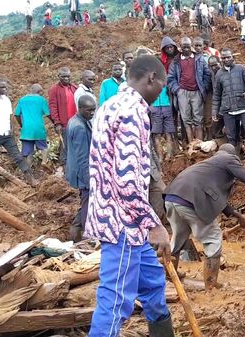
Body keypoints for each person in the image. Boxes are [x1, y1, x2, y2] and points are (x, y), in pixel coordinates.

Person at [86, 55, 173, 337]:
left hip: (114, 215)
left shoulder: (110, 104)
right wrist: (154, 224)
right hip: (122, 222)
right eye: (162, 84)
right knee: (115, 301)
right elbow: (127, 180)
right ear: (151, 78)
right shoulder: (133, 112)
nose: (162, 90)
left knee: (153, 281)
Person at [164, 144, 245, 289]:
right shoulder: (228, 158)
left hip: (172, 198)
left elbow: (215, 197)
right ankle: (211, 285)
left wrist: (238, 216)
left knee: (178, 237)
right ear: (233, 155)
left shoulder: (207, 167)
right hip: (191, 200)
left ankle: (169, 275)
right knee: (212, 238)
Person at [168, 37, 211, 142]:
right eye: (184, 47)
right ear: (180, 47)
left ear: (191, 46)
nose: (186, 49)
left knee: (198, 119)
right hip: (182, 92)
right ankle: (191, 144)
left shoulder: (199, 59)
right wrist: (177, 90)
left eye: (188, 47)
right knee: (186, 119)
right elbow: (170, 78)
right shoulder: (176, 61)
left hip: (196, 92)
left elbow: (207, 74)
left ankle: (199, 144)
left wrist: (203, 87)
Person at [65, 95, 95, 242]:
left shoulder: (76, 121)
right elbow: (83, 157)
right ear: (81, 108)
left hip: (78, 170)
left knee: (86, 201)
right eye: (89, 110)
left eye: (94, 110)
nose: (92, 113)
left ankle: (75, 231)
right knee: (88, 202)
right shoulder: (79, 127)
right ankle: (86, 236)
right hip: (82, 172)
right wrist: (89, 180)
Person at [212, 49, 245, 148]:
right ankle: (235, 156)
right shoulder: (219, 74)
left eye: (228, 57)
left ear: (233, 57)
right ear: (221, 60)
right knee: (231, 136)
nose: (226, 59)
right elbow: (216, 94)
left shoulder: (241, 69)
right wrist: (214, 111)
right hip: (228, 109)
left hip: (243, 106)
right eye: (224, 58)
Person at [14, 84, 51, 169]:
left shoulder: (22, 100)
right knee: (44, 147)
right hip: (39, 129)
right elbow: (48, 114)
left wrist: (21, 124)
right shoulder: (41, 100)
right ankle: (44, 161)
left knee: (28, 153)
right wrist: (54, 122)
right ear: (39, 92)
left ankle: (28, 170)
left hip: (26, 130)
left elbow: (16, 114)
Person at [48, 67, 77, 168]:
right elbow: (53, 106)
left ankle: (73, 164)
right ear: (58, 76)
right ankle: (63, 165)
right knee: (64, 144)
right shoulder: (54, 89)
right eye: (63, 76)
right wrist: (57, 123)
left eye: (68, 76)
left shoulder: (74, 88)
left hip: (76, 122)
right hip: (64, 123)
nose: (66, 78)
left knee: (75, 143)